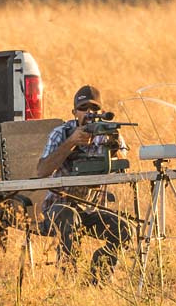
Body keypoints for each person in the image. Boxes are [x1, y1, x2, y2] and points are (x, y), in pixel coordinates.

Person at [36, 85, 131, 284]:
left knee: (123, 230)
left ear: (102, 113)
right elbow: (42, 171)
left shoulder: (108, 133)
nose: (89, 113)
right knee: (68, 215)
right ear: (74, 112)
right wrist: (71, 142)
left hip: (90, 209)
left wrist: (113, 148)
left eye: (95, 109)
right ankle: (67, 281)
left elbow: (123, 163)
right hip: (58, 209)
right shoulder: (61, 133)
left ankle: (96, 280)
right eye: (84, 108)